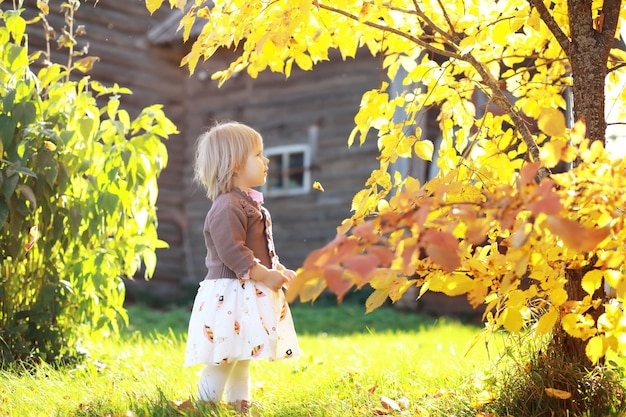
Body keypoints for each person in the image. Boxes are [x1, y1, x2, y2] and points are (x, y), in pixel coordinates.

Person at [184, 121, 300, 414]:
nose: (266, 161)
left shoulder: (249, 204)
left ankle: (240, 406)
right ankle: (206, 405)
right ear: (236, 164)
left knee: (243, 353)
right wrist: (265, 275)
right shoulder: (227, 206)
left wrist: (278, 270)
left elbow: (259, 251)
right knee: (223, 356)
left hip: (245, 291)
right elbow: (233, 252)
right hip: (230, 294)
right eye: (258, 155)